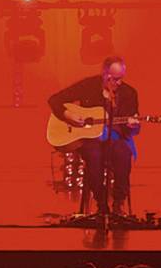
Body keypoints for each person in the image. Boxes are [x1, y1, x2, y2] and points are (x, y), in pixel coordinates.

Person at [48, 55, 140, 216]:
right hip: (90, 141)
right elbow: (54, 100)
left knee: (123, 154)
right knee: (94, 156)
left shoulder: (129, 93)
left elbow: (132, 130)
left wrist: (132, 125)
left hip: (115, 139)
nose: (118, 83)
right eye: (114, 79)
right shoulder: (88, 86)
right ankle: (101, 203)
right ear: (105, 75)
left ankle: (118, 203)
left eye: (121, 79)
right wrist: (68, 115)